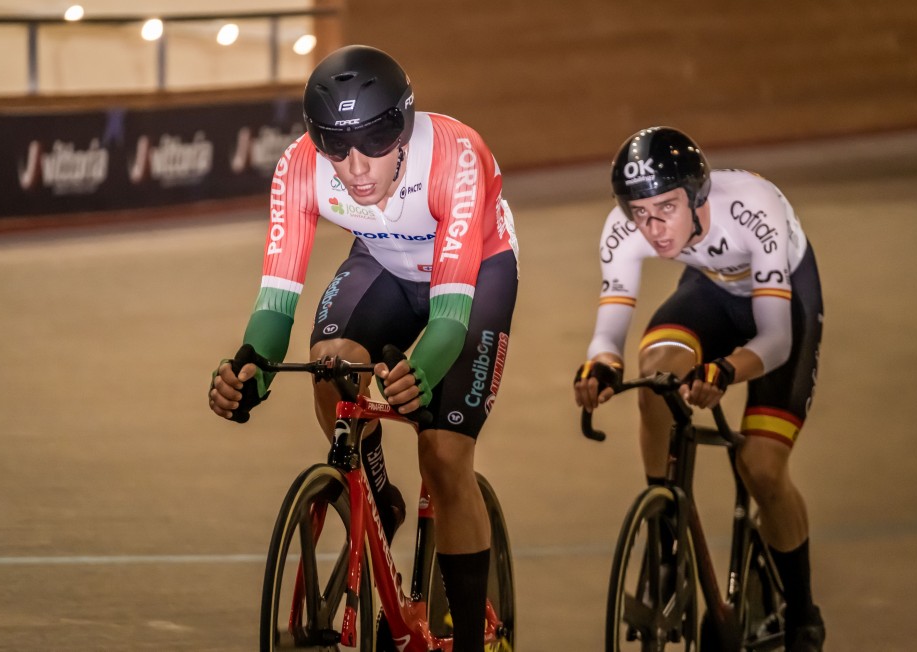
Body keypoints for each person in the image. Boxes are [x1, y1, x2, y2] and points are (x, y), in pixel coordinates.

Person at [208, 44, 519, 652]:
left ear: (403, 129)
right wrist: (251, 369)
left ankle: (471, 640)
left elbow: (450, 321)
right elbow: (276, 300)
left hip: (473, 275)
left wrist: (421, 372)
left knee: (445, 453)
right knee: (331, 369)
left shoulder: (455, 154)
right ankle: (378, 501)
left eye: (375, 142)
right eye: (335, 146)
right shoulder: (299, 167)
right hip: (382, 263)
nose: (354, 167)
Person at [574, 126, 825, 651]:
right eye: (639, 212)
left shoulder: (754, 210)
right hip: (710, 292)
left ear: (697, 197)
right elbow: (613, 315)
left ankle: (802, 613)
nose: (654, 227)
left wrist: (726, 371)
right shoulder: (624, 228)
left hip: (781, 304)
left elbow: (775, 339)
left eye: (666, 207)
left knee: (760, 467)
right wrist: (601, 363)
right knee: (655, 377)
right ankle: (666, 534)